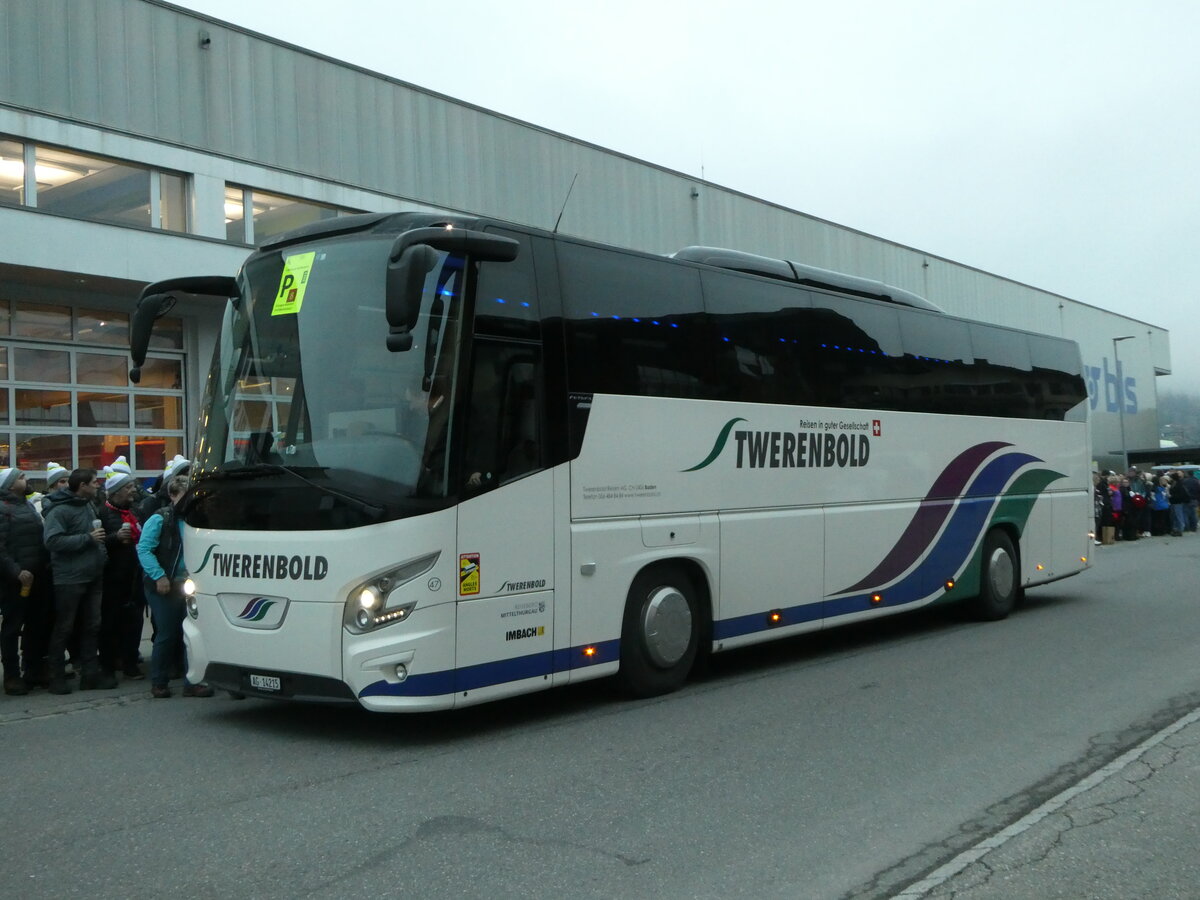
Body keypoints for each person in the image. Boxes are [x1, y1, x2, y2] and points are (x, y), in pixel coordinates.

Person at [136, 474, 213, 699]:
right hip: (164, 585)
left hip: (187, 584)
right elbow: (144, 549)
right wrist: (159, 576)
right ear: (172, 495)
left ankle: (193, 681)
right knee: (167, 633)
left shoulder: (194, 519)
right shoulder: (160, 518)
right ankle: (159, 681)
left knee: (192, 634)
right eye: (183, 495)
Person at [43, 468, 114, 693]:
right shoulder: (59, 510)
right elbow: (52, 541)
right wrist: (87, 538)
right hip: (69, 578)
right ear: (82, 486)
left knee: (92, 626)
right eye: (93, 482)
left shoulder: (88, 505)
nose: (97, 485)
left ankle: (90, 675)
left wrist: (101, 555)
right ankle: (56, 677)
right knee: (64, 627)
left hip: (93, 575)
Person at [0, 468, 51, 695]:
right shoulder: (3, 509)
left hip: (37, 576)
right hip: (14, 580)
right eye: (21, 477)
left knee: (36, 623)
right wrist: (16, 571)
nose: (26, 479)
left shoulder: (27, 505)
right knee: (12, 626)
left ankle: (33, 668)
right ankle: (12, 675)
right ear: (10, 486)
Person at [98, 461, 146, 680]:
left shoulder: (134, 511)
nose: (133, 490)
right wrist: (115, 538)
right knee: (110, 623)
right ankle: (108, 666)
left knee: (134, 621)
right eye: (128, 487)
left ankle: (130, 662)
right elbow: (98, 542)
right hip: (112, 577)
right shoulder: (103, 513)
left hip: (134, 575)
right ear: (116, 492)